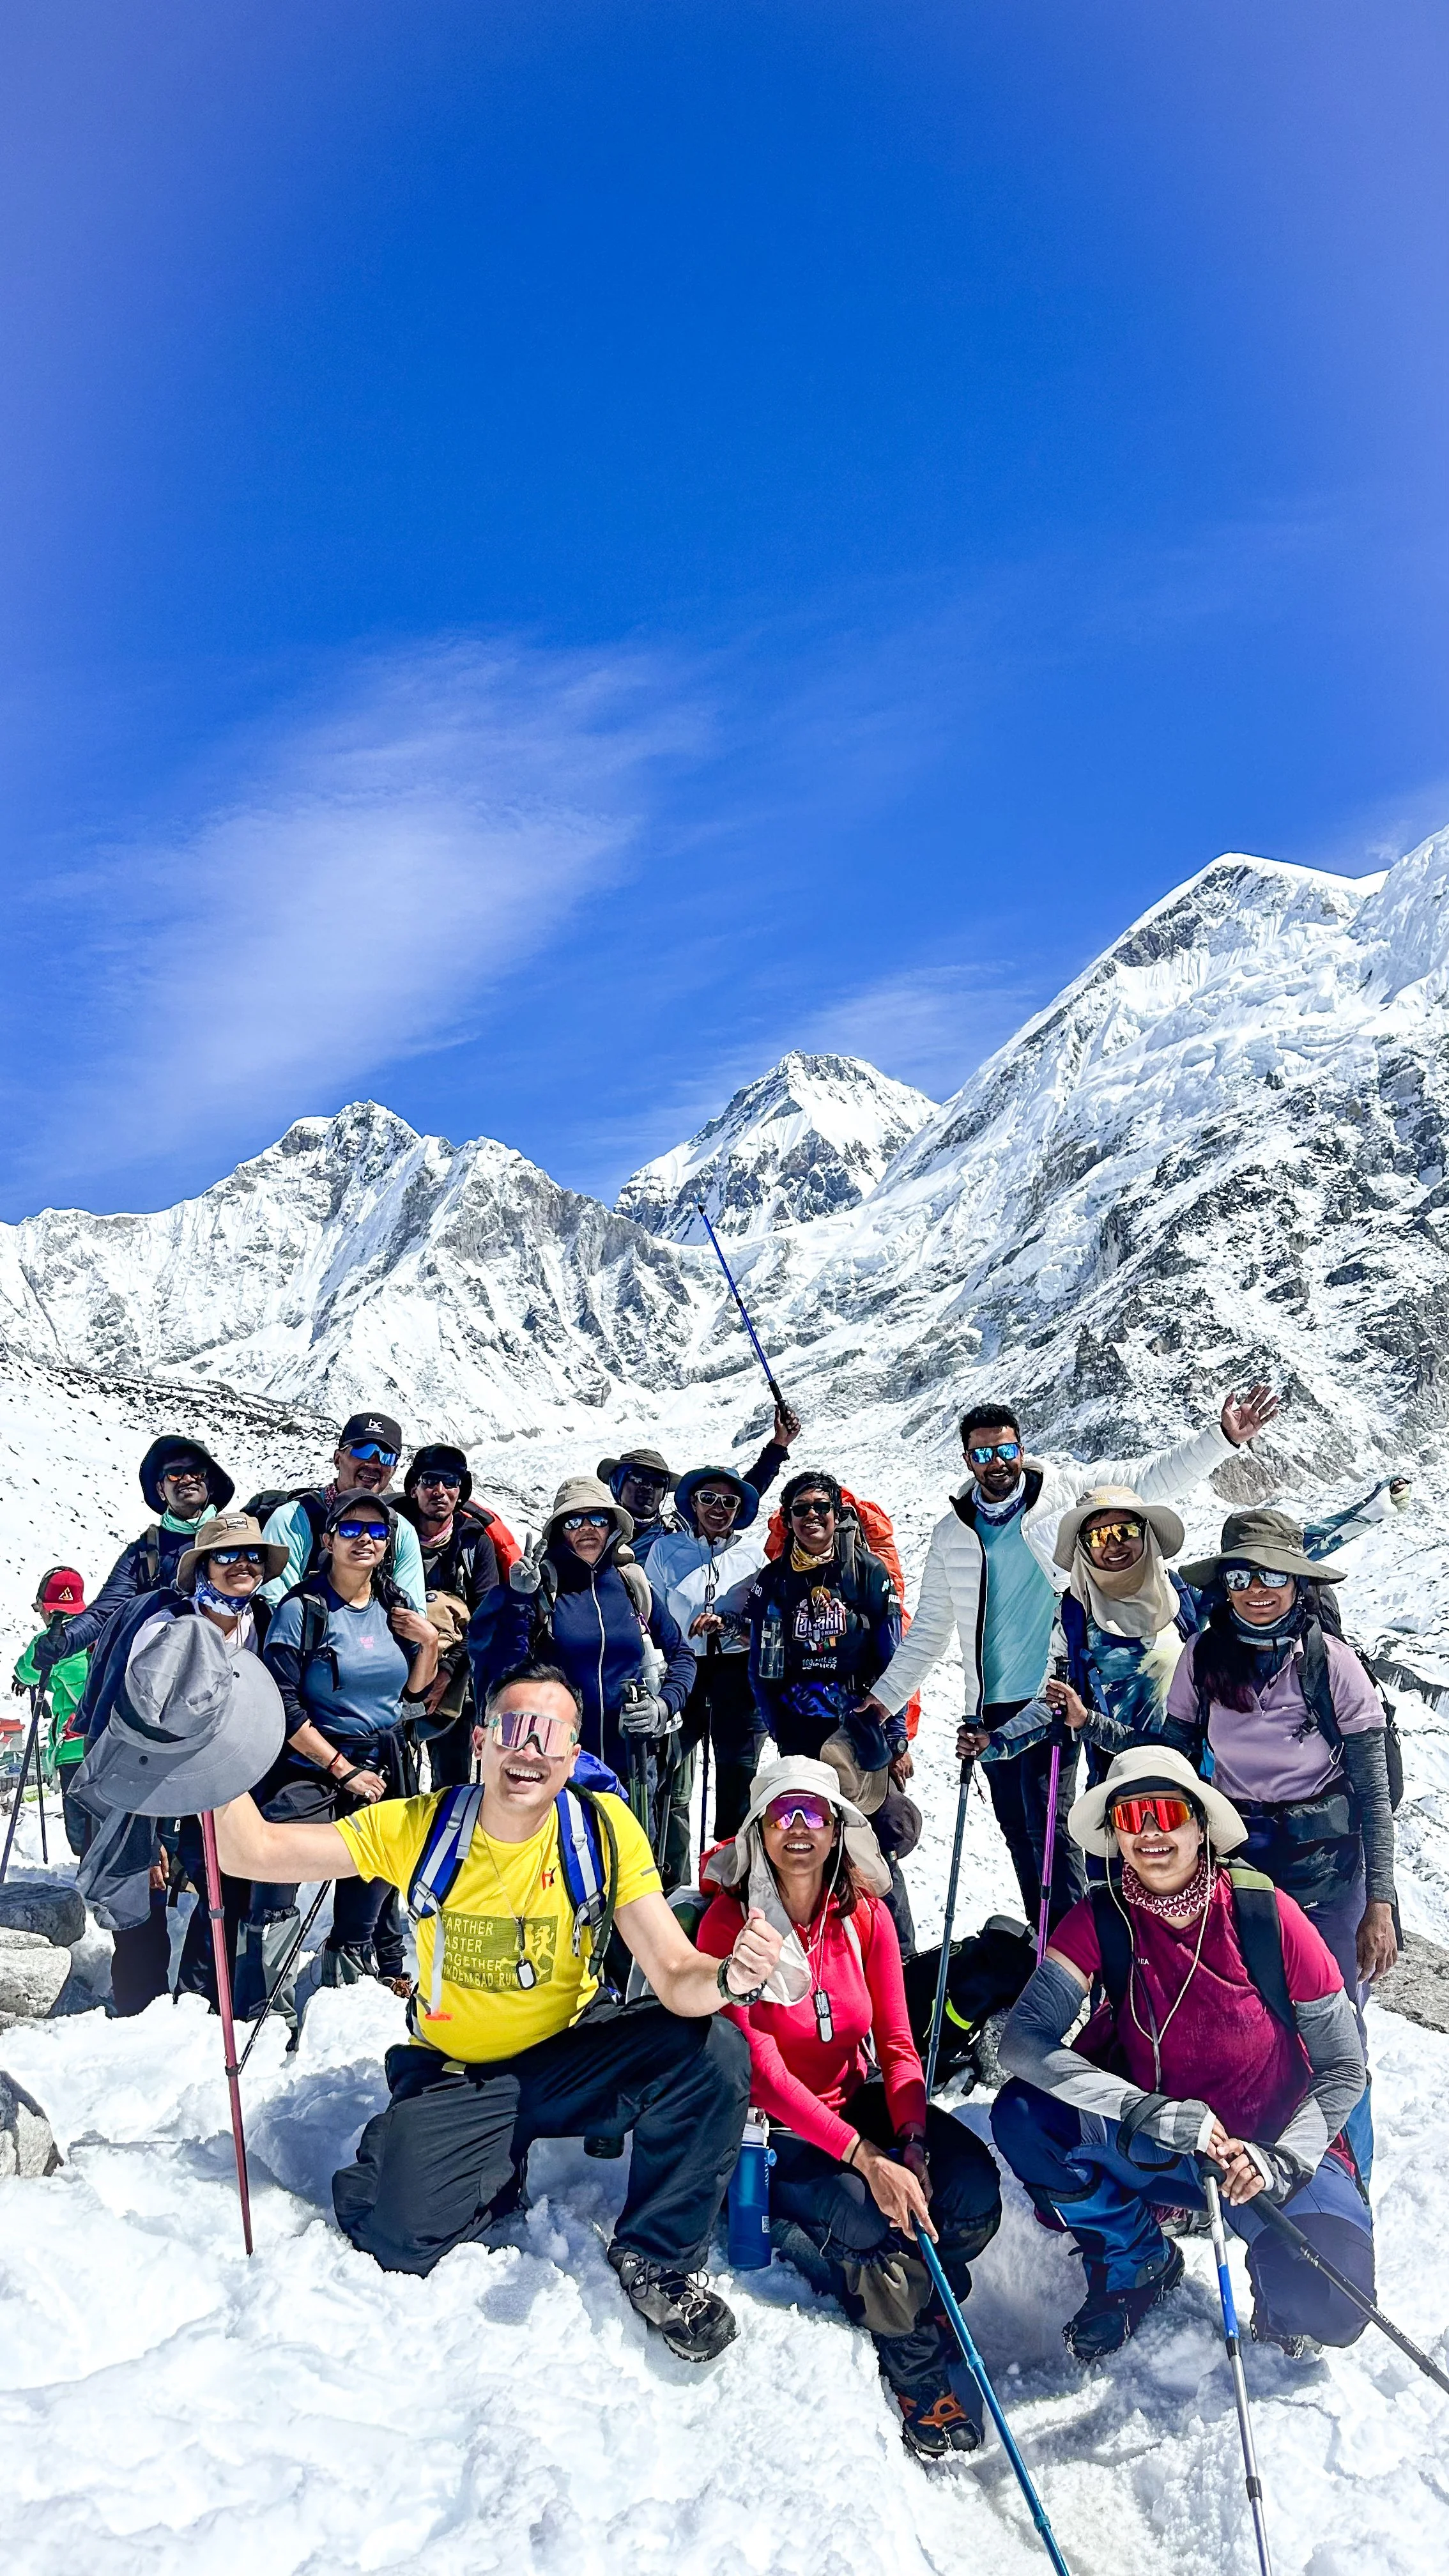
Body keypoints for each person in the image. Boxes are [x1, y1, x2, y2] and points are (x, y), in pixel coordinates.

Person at [213, 1659, 785, 2362]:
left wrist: (726, 1976)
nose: (530, 1751)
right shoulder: (422, 1828)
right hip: (463, 2071)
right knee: (395, 2236)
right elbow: (254, 1850)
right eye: (515, 1729)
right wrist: (212, 1741)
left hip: (572, 2051)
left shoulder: (601, 1831)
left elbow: (672, 1973)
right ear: (481, 1740)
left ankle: (657, 2259)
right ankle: (441, 2155)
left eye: (550, 1737)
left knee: (713, 2052)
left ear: (574, 1757)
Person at [991, 1747, 1373, 2363]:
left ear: (1200, 1825)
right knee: (1024, 2117)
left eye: (1167, 1812)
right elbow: (1024, 2040)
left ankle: (1277, 2294)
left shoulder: (1266, 1916)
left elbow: (1343, 2067)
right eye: (1131, 1817)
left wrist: (1280, 2159)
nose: (1150, 1832)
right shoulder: (1101, 1920)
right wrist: (1144, 2109)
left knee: (1333, 2299)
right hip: (1160, 2144)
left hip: (1267, 2157)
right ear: (1115, 1836)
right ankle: (1137, 2257)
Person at [858, 1386, 1279, 1936]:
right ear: (967, 1459)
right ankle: (1050, 1940)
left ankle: (1076, 1948)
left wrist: (1222, 1439)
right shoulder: (951, 1535)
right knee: (1017, 1830)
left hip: (1057, 1691)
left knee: (1052, 1830)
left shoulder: (1064, 1495)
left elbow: (1151, 1479)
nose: (996, 1463)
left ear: (1021, 1449)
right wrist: (883, 1699)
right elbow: (931, 1630)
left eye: (1005, 1450)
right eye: (982, 1454)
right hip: (990, 1706)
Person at [696, 1758, 1002, 2457]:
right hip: (771, 2133)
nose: (798, 1828)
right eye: (783, 1814)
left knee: (971, 2193)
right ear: (759, 1831)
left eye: (815, 1814)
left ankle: (920, 2297)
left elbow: (897, 2042)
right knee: (876, 2231)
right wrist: (868, 2160)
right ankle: (919, 2376)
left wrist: (914, 2141)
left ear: (838, 1829)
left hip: (850, 2102)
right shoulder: (728, 1924)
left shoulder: (863, 1915)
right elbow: (764, 2074)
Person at [1166, 1508, 1396, 2178]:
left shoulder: (1333, 1667)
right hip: (1243, 1872)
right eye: (1242, 1574)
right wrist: (1090, 1724)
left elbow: (1374, 1800)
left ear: (1298, 1582)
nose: (1257, 1588)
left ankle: (1344, 2182)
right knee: (1249, 2017)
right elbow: (1172, 1761)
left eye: (1273, 1573)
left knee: (1336, 2036)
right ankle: (1251, 2163)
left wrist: (1378, 1905)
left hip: (1329, 1877)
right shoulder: (1203, 1659)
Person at [68, 1512, 289, 2014]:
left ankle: (198, 2001)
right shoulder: (164, 1629)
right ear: (203, 1568)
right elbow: (133, 1723)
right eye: (226, 1556)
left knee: (225, 1886)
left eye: (253, 1556)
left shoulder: (262, 1624)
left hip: (223, 1777)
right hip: (148, 1777)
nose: (242, 1565)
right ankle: (139, 2013)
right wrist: (147, 1830)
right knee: (143, 1897)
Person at [257, 1492, 440, 1989]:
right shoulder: (303, 1610)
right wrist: (342, 1769)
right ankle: (264, 1990)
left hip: (384, 1757)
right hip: (313, 1761)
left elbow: (413, 1691)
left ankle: (347, 1972)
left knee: (379, 1866)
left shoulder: (393, 1605)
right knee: (280, 1859)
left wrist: (428, 1642)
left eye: (378, 1532)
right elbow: (282, 1704)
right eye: (352, 1529)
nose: (366, 1539)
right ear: (328, 1539)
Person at [468, 1477, 693, 1850]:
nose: (587, 1529)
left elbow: (682, 1654)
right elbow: (503, 1677)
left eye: (598, 1520)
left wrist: (663, 1704)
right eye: (574, 1522)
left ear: (613, 1526)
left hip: (633, 1763)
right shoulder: (541, 1587)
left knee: (631, 1872)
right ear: (559, 1531)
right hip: (558, 1766)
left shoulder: (630, 1583)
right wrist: (520, 1602)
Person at [647, 1464, 772, 1883]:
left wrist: (731, 1625)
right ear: (693, 1503)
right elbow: (650, 1614)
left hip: (738, 1674)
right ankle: (668, 1879)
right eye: (709, 1499)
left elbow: (767, 1617)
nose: (718, 1508)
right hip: (683, 1669)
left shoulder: (755, 1555)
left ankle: (728, 1884)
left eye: (729, 1501)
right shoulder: (666, 1552)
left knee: (737, 1781)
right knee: (667, 1778)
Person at [33, 1438, 235, 1680]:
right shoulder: (145, 1552)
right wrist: (67, 1640)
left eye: (197, 1472)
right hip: (162, 1677)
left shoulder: (237, 1539)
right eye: (174, 1474)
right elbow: (106, 1611)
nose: (187, 1479)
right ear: (161, 1489)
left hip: (230, 1667)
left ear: (209, 1483)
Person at [1038, 1489, 1192, 1765]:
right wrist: (996, 1741)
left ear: (1145, 1533)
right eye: (1097, 1537)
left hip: (1193, 1774)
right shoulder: (1075, 1616)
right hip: (1117, 1780)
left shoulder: (1184, 1596)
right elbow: (1049, 1704)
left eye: (1126, 1531)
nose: (1113, 1545)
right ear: (1084, 1548)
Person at [395, 1444, 516, 1787]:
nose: (440, 1492)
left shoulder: (474, 1542)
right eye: (430, 1481)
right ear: (413, 1487)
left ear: (461, 1490)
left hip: (456, 1680)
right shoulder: (387, 1536)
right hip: (394, 1673)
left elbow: (485, 1618)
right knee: (395, 1778)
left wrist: (447, 1673)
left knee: (451, 1781)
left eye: (450, 1482)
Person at [257, 1411, 427, 1611]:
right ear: (338, 1458)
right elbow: (275, 1606)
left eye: (386, 1456)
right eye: (363, 1451)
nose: (373, 1463)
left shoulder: (401, 1531)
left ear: (394, 1470)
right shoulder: (293, 1521)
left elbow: (413, 1614)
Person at [598, 1403, 802, 1563]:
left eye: (658, 1482)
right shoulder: (596, 1531)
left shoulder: (678, 1528)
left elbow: (736, 1496)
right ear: (618, 1483)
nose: (648, 1487)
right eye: (637, 1478)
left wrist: (779, 1446)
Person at [12, 1569, 91, 1784]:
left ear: (47, 1609)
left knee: (80, 1816)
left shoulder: (49, 1642)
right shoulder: (99, 1633)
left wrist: (20, 1679)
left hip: (74, 1748)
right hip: (111, 1745)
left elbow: (26, 1671)